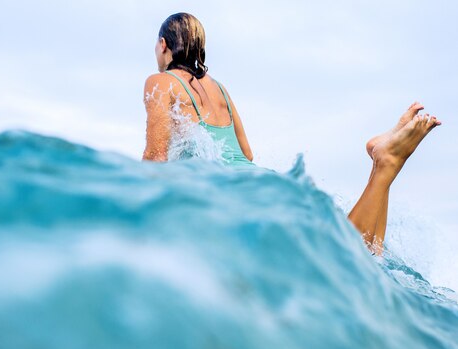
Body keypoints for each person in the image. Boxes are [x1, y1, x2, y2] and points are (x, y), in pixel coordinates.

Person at [142, 13, 441, 254]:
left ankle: (385, 161)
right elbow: (246, 155)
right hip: (261, 184)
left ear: (164, 44)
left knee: (342, 260)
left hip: (236, 198)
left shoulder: (160, 82)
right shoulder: (219, 88)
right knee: (367, 257)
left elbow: (155, 158)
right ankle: (382, 166)